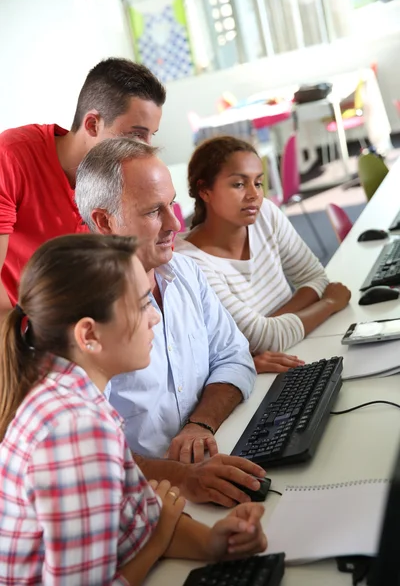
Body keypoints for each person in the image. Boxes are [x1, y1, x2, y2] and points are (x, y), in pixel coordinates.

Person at [0, 233, 267, 585]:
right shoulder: (75, 429)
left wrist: (217, 542)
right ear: (89, 336)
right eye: (142, 305)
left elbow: (141, 516)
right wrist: (157, 543)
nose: (154, 319)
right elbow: (153, 530)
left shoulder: (77, 396)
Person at [75, 137, 266, 508]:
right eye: (153, 212)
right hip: (144, 499)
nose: (175, 223)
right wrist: (183, 477)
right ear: (104, 221)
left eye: (173, 204)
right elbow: (89, 457)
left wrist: (201, 424)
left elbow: (234, 356)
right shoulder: (85, 324)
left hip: (211, 460)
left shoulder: (184, 272)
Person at [0, 57, 165, 314]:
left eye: (150, 135)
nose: (145, 148)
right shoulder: (11, 156)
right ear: (92, 124)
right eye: (135, 134)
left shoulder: (125, 180)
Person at [174, 136, 351, 370]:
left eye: (258, 183)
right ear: (205, 190)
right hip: (265, 375)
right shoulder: (190, 261)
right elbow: (267, 338)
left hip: (296, 348)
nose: (253, 194)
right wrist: (328, 302)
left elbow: (314, 278)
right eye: (238, 184)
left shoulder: (264, 213)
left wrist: (268, 326)